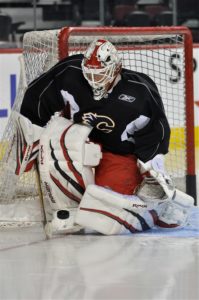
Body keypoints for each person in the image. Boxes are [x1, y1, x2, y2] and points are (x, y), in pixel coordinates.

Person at [19, 38, 193, 237]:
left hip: (119, 154)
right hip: (81, 141)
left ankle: (156, 211)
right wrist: (30, 136)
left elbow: (156, 133)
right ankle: (69, 209)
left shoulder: (139, 91)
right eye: (90, 73)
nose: (94, 79)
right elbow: (37, 95)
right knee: (55, 144)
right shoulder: (69, 73)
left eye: (100, 74)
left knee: (108, 200)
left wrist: (153, 170)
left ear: (116, 68)